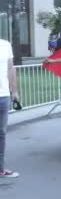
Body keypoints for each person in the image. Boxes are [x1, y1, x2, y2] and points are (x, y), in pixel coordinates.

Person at [0, 39, 19, 178]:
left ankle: (0, 169)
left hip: (4, 95)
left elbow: (11, 69)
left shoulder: (5, 45)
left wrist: (14, 91)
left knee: (1, 134)